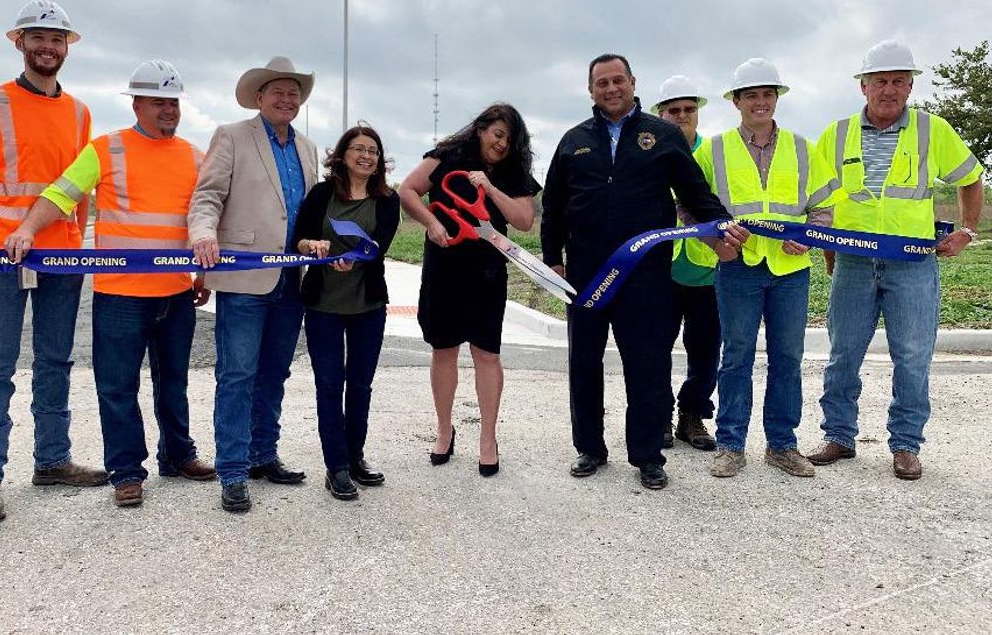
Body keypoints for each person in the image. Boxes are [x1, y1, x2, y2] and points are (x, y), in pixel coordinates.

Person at [2, 60, 217, 508]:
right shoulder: (107, 150)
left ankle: (178, 455)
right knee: (117, 387)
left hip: (176, 293)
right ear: (136, 104)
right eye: (158, 102)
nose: (168, 110)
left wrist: (203, 274)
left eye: (173, 102)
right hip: (120, 294)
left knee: (173, 382)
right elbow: (61, 195)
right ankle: (126, 471)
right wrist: (27, 228)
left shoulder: (196, 156)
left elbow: (203, 217)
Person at [541, 54, 741, 490]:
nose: (611, 89)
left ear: (632, 82)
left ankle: (648, 455)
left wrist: (721, 222)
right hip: (586, 276)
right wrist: (552, 258)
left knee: (647, 366)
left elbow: (695, 192)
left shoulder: (664, 134)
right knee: (585, 364)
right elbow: (553, 207)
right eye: (601, 83)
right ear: (590, 89)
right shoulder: (573, 140)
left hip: (646, 275)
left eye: (618, 80)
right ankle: (590, 448)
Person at [0, 0, 106, 524]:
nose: (48, 47)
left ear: (67, 48)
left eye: (57, 39)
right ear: (19, 43)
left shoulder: (81, 112)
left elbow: (80, 188)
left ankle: (53, 459)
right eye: (38, 38)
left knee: (56, 360)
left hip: (61, 255)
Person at [807, 40, 984, 480]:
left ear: (909, 87)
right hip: (853, 262)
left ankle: (906, 445)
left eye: (898, 82)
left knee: (912, 355)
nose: (889, 89)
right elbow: (824, 201)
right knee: (843, 353)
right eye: (880, 81)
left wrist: (966, 231)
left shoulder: (932, 130)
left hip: (913, 264)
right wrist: (830, 253)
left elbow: (971, 178)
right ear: (863, 87)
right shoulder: (836, 134)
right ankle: (839, 437)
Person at [694, 58, 846, 480]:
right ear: (737, 101)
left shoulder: (803, 148)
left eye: (767, 94)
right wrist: (718, 244)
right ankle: (730, 445)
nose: (760, 102)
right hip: (738, 268)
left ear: (776, 99)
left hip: (790, 269)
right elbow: (691, 208)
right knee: (737, 357)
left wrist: (810, 237)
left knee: (787, 357)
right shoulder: (714, 149)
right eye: (751, 96)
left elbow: (824, 207)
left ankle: (781, 445)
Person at [189, 56, 318, 513]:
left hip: (292, 277)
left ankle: (264, 454)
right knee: (238, 374)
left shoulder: (307, 147)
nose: (287, 99)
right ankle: (233, 469)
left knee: (274, 372)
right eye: (278, 91)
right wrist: (203, 234)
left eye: (294, 92)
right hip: (244, 275)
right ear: (259, 97)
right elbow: (207, 195)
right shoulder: (232, 136)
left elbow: (308, 210)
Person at [400, 104, 540, 478]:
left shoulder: (513, 170)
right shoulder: (446, 155)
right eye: (497, 134)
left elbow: (524, 221)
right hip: (443, 267)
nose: (502, 144)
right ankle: (444, 431)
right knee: (443, 350)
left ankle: (488, 440)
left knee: (487, 355)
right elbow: (408, 191)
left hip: (488, 273)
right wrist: (430, 223)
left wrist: (490, 188)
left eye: (509, 140)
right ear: (480, 129)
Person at [292, 125, 400, 500]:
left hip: (367, 304)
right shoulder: (322, 194)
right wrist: (312, 245)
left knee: (360, 384)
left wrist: (353, 260)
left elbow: (379, 246)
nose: (367, 156)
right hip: (323, 305)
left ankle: (355, 457)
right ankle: (335, 466)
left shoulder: (387, 199)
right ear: (342, 155)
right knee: (328, 384)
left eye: (373, 150)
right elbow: (299, 238)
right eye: (359, 149)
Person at [653, 75, 719, 452]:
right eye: (673, 110)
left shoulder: (715, 154)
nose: (681, 116)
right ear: (660, 114)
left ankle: (692, 415)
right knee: (655, 347)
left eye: (688, 109)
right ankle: (659, 415)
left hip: (705, 269)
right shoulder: (646, 153)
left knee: (706, 349)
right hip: (658, 269)